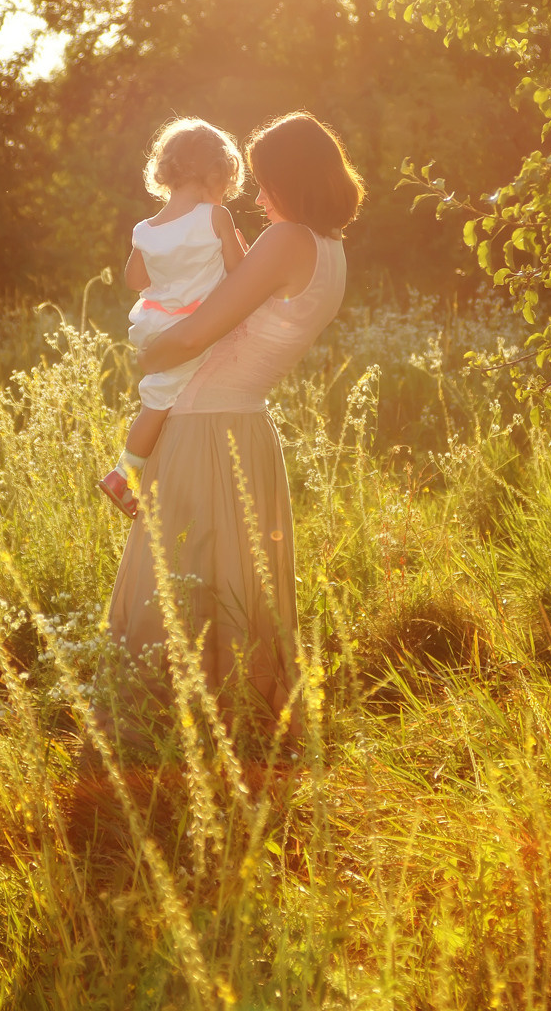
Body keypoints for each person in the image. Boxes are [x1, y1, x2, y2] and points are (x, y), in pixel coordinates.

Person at [104, 111, 365, 741]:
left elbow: (195, 331)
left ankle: (169, 736)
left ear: (289, 178)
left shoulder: (286, 241)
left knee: (181, 582)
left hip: (203, 426)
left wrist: (147, 355)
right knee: (227, 586)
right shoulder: (330, 253)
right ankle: (237, 723)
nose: (254, 194)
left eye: (264, 179)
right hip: (245, 427)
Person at [98, 118, 247, 517]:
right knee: (159, 403)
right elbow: (241, 274)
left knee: (164, 396)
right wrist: (238, 247)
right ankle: (125, 474)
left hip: (152, 324)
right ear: (216, 173)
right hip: (187, 330)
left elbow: (134, 279)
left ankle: (142, 471)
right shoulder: (216, 218)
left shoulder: (145, 228)